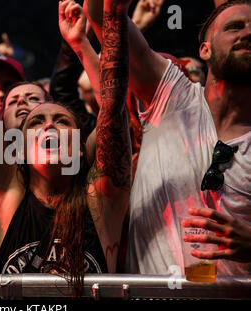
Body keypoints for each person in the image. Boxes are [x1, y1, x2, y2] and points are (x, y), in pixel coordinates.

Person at [0, 0, 132, 298]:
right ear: (18, 149)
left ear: (81, 149)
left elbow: (113, 103)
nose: (48, 126)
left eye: (61, 121)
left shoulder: (101, 201)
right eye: (36, 122)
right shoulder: (7, 197)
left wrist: (113, 18)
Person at [84, 0, 251, 276]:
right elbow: (101, 14)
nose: (247, 33)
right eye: (235, 27)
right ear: (204, 49)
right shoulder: (171, 95)